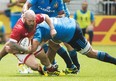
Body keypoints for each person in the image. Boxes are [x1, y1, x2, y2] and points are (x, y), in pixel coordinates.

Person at [29, 17, 116, 72]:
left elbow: (35, 49)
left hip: (72, 32)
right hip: (67, 23)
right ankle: (67, 67)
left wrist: (23, 53)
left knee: (91, 53)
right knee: (53, 45)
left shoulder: (38, 31)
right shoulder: (39, 18)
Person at [21, 0, 80, 74]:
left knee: (54, 45)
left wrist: (60, 20)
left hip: (50, 25)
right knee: (50, 45)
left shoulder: (59, 2)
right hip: (35, 25)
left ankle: (67, 65)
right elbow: (26, 4)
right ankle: (64, 65)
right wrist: (25, 13)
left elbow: (62, 13)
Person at [0, 10, 58, 75]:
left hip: (30, 42)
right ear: (24, 19)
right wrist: (25, 50)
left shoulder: (35, 18)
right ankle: (38, 68)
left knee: (43, 57)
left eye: (33, 21)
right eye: (30, 21)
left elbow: (46, 17)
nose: (32, 23)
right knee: (35, 66)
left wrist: (52, 28)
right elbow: (12, 43)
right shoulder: (18, 28)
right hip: (20, 46)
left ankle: (50, 69)